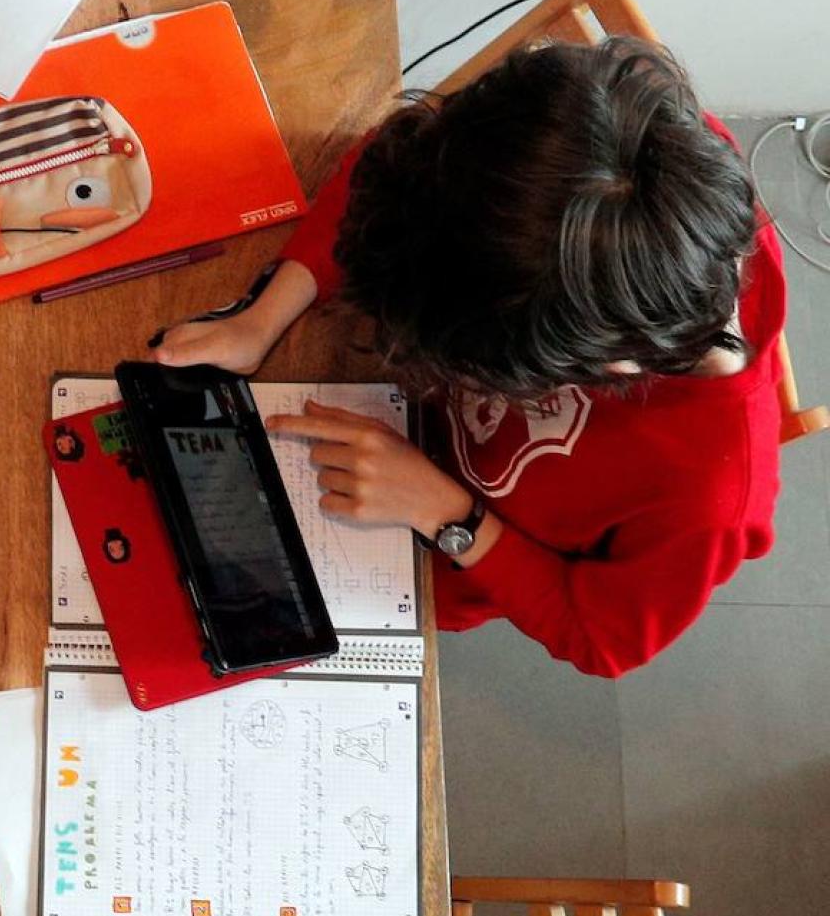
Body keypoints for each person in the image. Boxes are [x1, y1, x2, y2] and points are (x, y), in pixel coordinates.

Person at [153, 38, 785, 677]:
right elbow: (403, 171)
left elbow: (601, 640)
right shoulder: (628, 146)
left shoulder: (710, 501)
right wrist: (264, 315)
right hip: (373, 417)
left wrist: (447, 514)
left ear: (606, 368)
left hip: (420, 560)